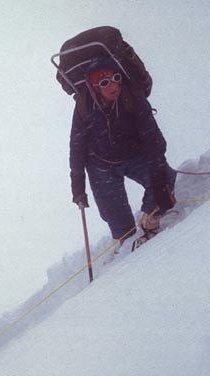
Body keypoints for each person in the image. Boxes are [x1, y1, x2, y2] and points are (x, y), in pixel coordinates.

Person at [69, 56, 176, 249]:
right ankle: (126, 250)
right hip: (100, 165)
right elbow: (77, 146)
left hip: (134, 156)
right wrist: (78, 188)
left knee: (165, 179)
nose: (113, 85)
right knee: (115, 216)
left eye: (116, 78)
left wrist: (159, 173)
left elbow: (152, 137)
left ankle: (150, 225)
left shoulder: (132, 97)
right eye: (104, 82)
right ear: (94, 87)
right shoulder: (84, 105)